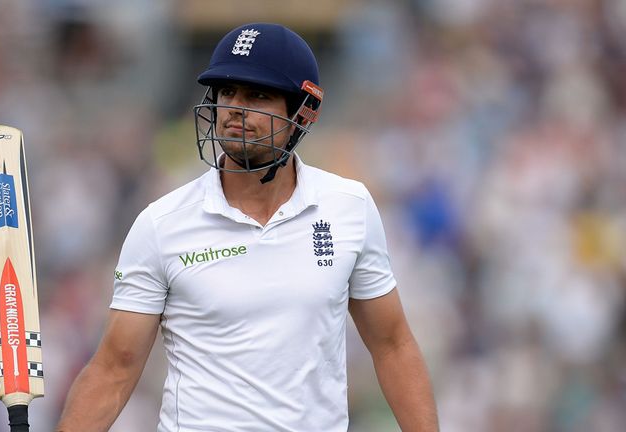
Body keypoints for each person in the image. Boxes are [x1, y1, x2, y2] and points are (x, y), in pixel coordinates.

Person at [56, 22, 438, 432]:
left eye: (258, 95)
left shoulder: (349, 207)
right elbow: (113, 369)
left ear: (302, 111)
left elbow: (393, 346)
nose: (235, 108)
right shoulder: (161, 224)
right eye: (227, 92)